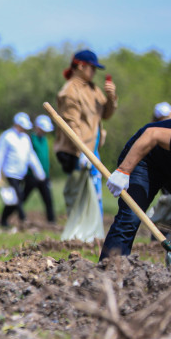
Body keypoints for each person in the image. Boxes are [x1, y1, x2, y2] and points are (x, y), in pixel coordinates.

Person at [53, 49, 116, 242]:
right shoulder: (70, 91)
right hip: (76, 151)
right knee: (79, 193)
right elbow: (72, 125)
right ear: (80, 66)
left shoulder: (93, 89)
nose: (93, 72)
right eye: (91, 68)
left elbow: (105, 114)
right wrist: (82, 152)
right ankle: (80, 236)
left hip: (91, 149)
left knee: (94, 192)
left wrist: (111, 97)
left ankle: (93, 234)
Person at [99, 118, 171, 259]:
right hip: (145, 158)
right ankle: (110, 271)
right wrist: (123, 171)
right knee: (130, 217)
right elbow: (152, 134)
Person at [0, 112, 46, 228]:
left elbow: (31, 156)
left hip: (21, 173)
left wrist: (39, 172)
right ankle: (24, 220)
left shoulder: (25, 138)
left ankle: (3, 220)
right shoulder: (7, 136)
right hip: (10, 172)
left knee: (16, 198)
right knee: (17, 197)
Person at [21, 114, 56, 222]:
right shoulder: (30, 138)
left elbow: (45, 159)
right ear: (38, 127)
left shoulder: (44, 140)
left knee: (48, 199)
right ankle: (11, 216)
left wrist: (48, 176)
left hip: (44, 176)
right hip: (32, 175)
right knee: (23, 197)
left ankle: (51, 221)